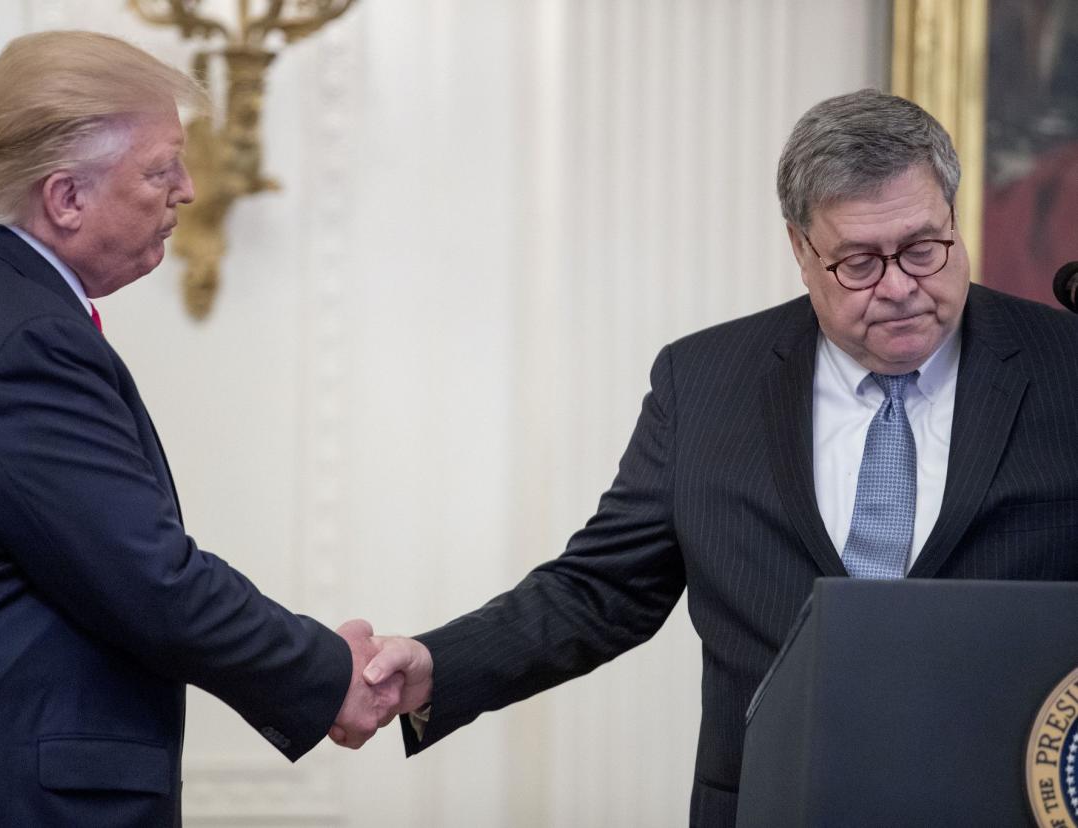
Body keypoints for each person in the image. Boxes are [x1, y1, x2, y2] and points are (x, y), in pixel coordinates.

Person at [357, 88, 1078, 825]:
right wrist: (439, 664)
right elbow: (600, 590)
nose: (898, 288)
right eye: (859, 263)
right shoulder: (704, 384)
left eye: (924, 249)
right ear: (801, 249)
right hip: (772, 803)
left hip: (1015, 798)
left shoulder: (1066, 368)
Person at [0, 31, 398, 827]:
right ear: (66, 197)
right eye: (162, 168)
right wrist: (326, 674)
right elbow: (150, 582)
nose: (190, 191)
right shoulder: (22, 339)